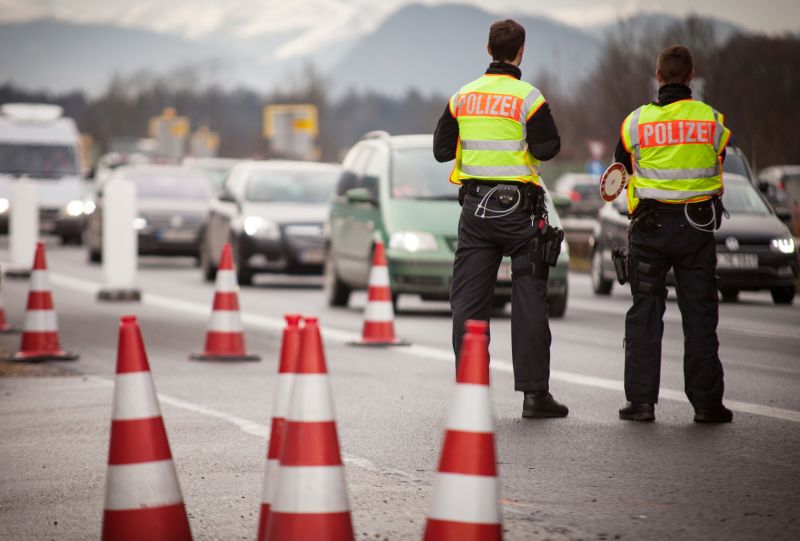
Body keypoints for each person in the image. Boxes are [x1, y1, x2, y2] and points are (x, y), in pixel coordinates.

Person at [433, 19, 568, 419]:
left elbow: (442, 150)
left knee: (468, 304)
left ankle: (470, 393)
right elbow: (549, 146)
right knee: (528, 301)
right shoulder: (528, 98)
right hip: (519, 212)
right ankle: (533, 396)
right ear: (520, 51)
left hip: (475, 212)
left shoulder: (463, 96)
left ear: (488, 50)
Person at [615, 45, 733, 423]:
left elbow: (622, 165)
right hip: (696, 229)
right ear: (691, 75)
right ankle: (707, 404)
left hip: (650, 229)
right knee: (699, 317)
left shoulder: (636, 123)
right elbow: (719, 159)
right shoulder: (712, 121)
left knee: (645, 315)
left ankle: (641, 403)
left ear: (657, 76)